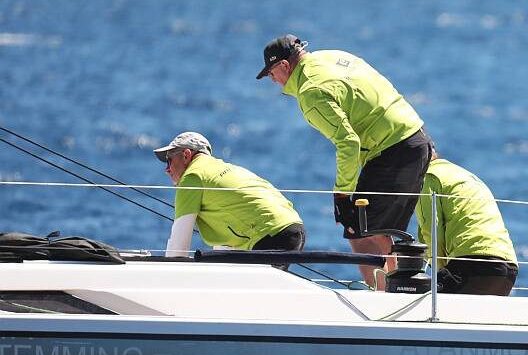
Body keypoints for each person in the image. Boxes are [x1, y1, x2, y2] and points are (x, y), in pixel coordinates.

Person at [257, 34, 432, 286]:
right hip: (417, 137)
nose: (273, 81)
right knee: (386, 231)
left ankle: (384, 297)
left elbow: (348, 142)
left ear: (285, 66)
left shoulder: (310, 92)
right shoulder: (332, 56)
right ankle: (394, 289)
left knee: (359, 231)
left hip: (392, 148)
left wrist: (341, 196)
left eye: (272, 73)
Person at [154, 131, 305, 258]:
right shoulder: (223, 169)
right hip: (293, 228)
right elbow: (225, 246)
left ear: (186, 155)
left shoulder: (193, 177)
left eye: (169, 161)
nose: (167, 169)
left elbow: (178, 247)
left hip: (270, 236)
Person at [415, 153, 519, 296]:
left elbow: (432, 234)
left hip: (473, 266)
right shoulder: (463, 175)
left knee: (422, 304)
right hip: (508, 269)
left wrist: (440, 274)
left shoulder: (428, 177)